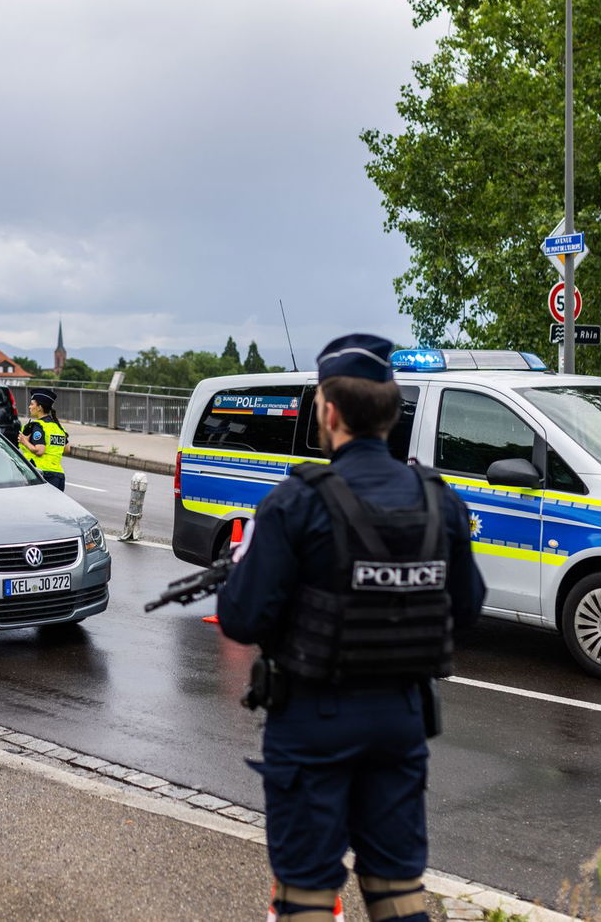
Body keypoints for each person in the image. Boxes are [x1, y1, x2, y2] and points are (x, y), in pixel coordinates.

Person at [216, 334, 485, 921]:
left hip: (314, 720)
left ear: (329, 412)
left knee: (308, 892)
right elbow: (467, 609)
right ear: (390, 416)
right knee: (396, 889)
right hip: (402, 718)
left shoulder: (296, 502)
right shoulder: (440, 500)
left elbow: (241, 618)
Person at [16, 388, 68, 490]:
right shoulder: (58, 427)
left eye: (32, 404)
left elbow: (39, 450)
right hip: (59, 475)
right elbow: (67, 449)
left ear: (39, 407)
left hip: (43, 474)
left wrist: (24, 441)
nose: (29, 407)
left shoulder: (39, 426)